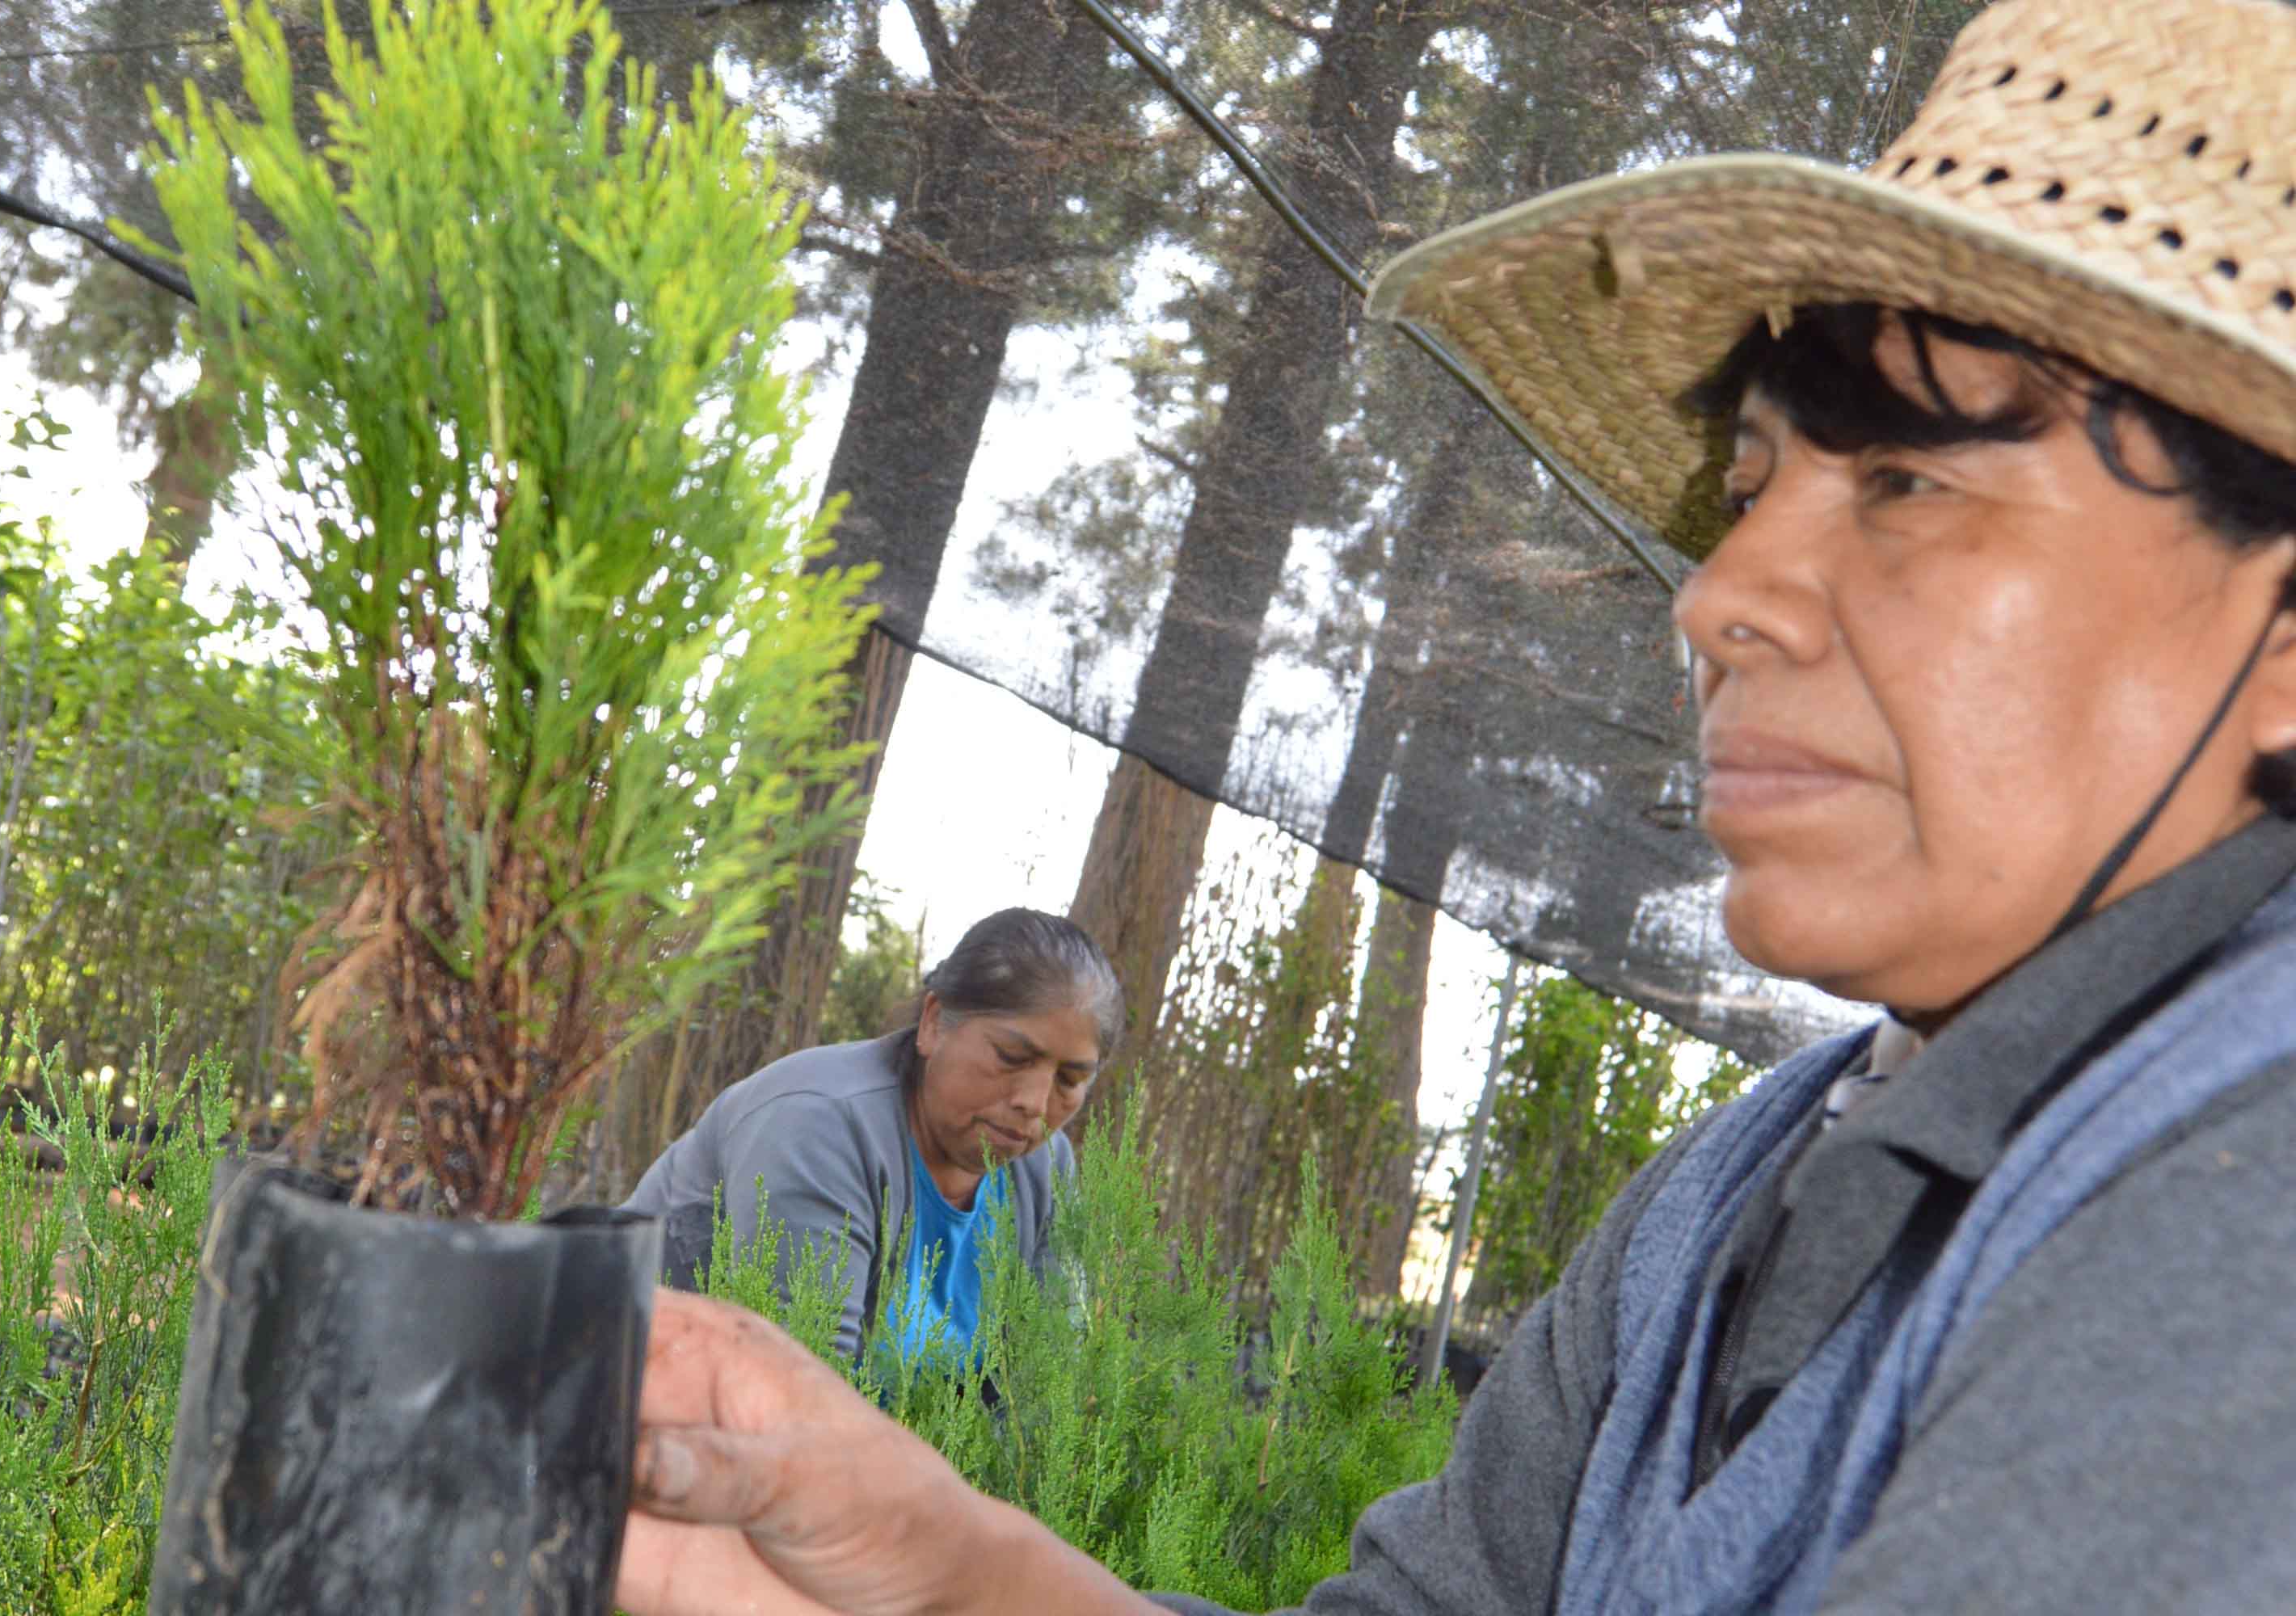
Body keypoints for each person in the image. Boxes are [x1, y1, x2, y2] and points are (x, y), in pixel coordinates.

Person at [609, 0, 2296, 1610]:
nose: (1721, 597)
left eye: (1914, 482)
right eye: (1750, 487)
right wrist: (936, 1566)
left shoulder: (2243, 1228)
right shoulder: (1744, 1179)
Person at [622, 907, 1119, 1367]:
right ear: (933, 1023)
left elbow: (1051, 1378)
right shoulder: (817, 1124)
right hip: (643, 1406)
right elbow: (804, 1390)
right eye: (1011, 1058)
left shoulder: (1043, 1167)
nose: (1034, 1102)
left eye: (1069, 1081)